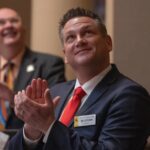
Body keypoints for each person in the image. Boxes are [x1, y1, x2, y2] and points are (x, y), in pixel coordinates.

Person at [8, 7, 150, 150]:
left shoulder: (130, 95)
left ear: (108, 43)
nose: (79, 41)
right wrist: (32, 130)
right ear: (65, 55)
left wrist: (48, 125)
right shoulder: (55, 92)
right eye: (71, 37)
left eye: (87, 33)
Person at [0, 7, 66, 130]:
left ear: (23, 29)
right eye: (2, 22)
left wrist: (12, 98)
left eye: (14, 21)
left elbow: (55, 108)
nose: (8, 25)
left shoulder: (49, 64)